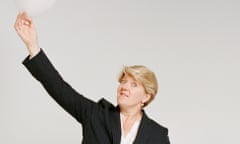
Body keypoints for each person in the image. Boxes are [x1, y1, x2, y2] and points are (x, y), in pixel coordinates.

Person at [14, 12, 170, 144]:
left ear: (146, 96)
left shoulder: (158, 135)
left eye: (134, 84)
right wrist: (33, 45)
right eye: (123, 82)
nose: (125, 87)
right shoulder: (95, 114)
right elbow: (58, 87)